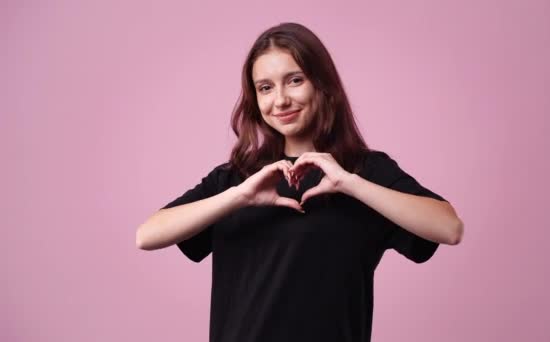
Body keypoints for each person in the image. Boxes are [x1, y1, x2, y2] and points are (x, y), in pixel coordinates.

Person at [136, 22, 463, 342]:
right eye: (265, 87)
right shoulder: (236, 177)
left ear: (323, 86)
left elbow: (449, 228)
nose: (279, 100)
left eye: (294, 81)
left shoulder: (364, 171)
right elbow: (147, 235)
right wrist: (239, 196)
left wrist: (350, 184)